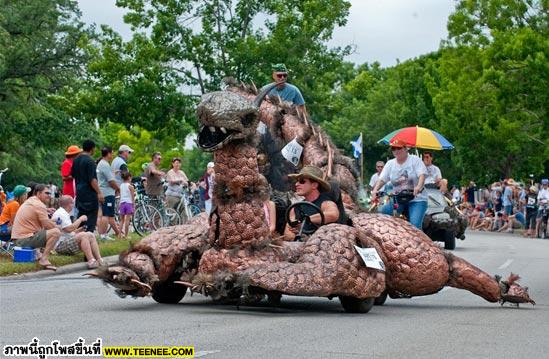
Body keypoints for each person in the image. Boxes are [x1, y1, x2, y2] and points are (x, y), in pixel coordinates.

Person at [372, 139, 428, 230]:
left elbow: (422, 175)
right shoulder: (390, 164)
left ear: (406, 149)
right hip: (398, 199)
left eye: (399, 148)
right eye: (393, 149)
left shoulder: (415, 160)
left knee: (415, 225)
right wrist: (375, 190)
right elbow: (382, 179)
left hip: (417, 199)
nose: (396, 151)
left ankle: (418, 242)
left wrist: (418, 187)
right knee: (384, 213)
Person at [10, 184, 61, 270]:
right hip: (22, 240)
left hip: (18, 239)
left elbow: (43, 224)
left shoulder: (32, 201)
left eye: (49, 193)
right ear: (38, 193)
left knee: (44, 230)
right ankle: (44, 259)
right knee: (56, 232)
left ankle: (38, 254)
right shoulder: (38, 205)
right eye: (47, 193)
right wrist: (59, 228)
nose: (49, 196)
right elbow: (47, 225)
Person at [283, 166, 340, 241]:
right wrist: (296, 235)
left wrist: (307, 220)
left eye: (302, 181)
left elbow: (333, 215)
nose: (296, 184)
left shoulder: (326, 203)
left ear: (314, 185)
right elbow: (287, 233)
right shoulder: (295, 208)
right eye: (296, 181)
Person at [52, 195, 104, 269]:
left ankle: (99, 260)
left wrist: (79, 230)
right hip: (59, 246)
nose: (73, 206)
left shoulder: (64, 213)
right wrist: (80, 219)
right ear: (69, 204)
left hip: (65, 241)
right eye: (72, 203)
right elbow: (69, 229)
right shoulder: (61, 213)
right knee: (83, 235)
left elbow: (67, 232)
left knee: (90, 234)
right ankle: (91, 261)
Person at [72, 140, 103, 233]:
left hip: (79, 193)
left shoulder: (76, 160)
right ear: (92, 149)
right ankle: (88, 238)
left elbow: (73, 175)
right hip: (89, 194)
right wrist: (99, 193)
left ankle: (79, 238)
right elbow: (92, 180)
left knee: (81, 217)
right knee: (91, 218)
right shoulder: (90, 161)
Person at [97, 146, 121, 240]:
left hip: (103, 192)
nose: (113, 155)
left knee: (105, 214)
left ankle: (103, 234)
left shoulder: (102, 164)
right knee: (106, 214)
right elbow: (111, 181)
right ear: (109, 153)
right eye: (112, 153)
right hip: (107, 193)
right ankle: (103, 235)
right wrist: (119, 189)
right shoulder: (105, 165)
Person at [119, 171, 135, 238]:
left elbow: (120, 195)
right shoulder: (130, 186)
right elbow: (132, 197)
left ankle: (119, 234)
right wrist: (133, 205)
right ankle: (126, 235)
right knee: (127, 220)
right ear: (129, 178)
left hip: (122, 203)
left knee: (122, 220)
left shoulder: (121, 185)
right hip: (128, 203)